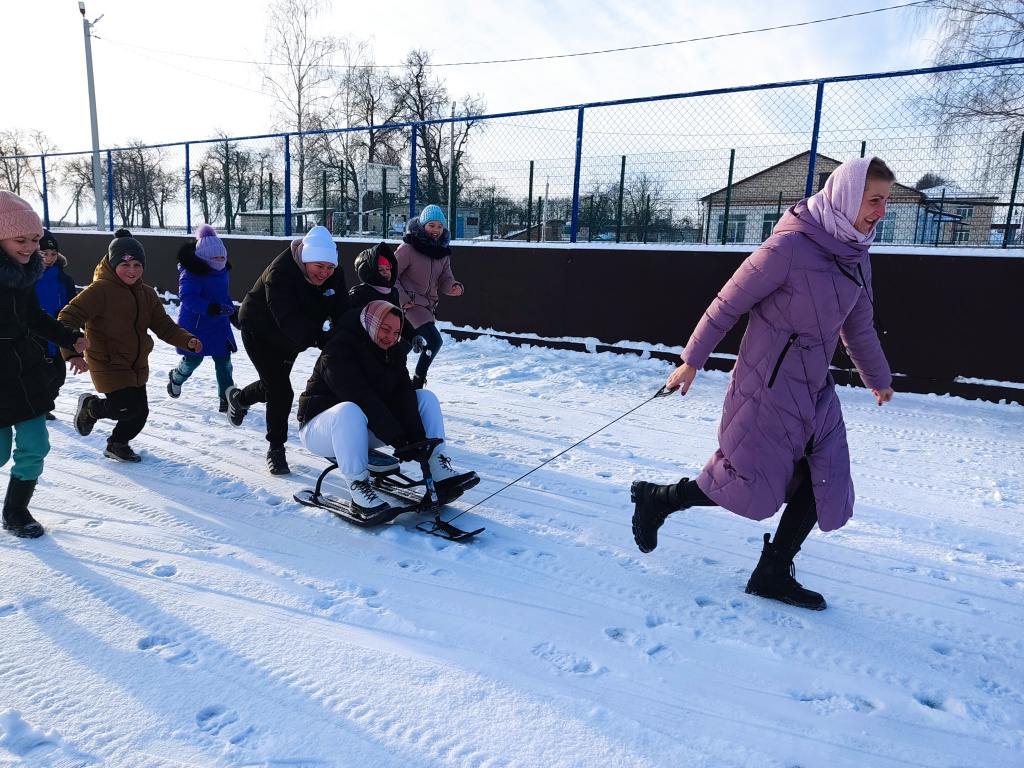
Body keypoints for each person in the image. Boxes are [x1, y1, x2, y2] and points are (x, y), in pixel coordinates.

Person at [630, 156, 896, 611]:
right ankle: (658, 499)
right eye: (874, 200)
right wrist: (692, 360)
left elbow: (860, 325)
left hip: (815, 387)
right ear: (847, 196)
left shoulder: (856, 253)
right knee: (752, 482)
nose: (881, 211)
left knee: (826, 477)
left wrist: (878, 377)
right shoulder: (789, 248)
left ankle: (772, 571)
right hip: (768, 385)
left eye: (885, 201)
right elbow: (727, 303)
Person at [297, 300, 476, 515]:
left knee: (424, 397)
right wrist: (397, 439)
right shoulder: (338, 347)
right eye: (385, 329)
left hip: (365, 427)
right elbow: (359, 396)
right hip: (321, 430)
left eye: (397, 332)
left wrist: (416, 438)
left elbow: (403, 395)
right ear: (371, 323)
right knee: (349, 410)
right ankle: (359, 486)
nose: (391, 338)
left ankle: (438, 470)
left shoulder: (394, 350)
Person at [60, 229, 201, 463]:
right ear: (113, 264)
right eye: (125, 265)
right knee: (125, 408)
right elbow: (67, 318)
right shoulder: (100, 291)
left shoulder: (146, 294)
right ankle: (91, 407)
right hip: (107, 360)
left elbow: (164, 325)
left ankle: (117, 444)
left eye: (137, 264)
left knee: (139, 414)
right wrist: (73, 352)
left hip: (136, 362)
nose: (132, 271)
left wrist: (187, 340)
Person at [225, 225, 349, 475]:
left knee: (273, 385)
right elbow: (286, 316)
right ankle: (276, 449)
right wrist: (319, 338)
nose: (325, 273)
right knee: (281, 390)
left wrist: (348, 334)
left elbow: (343, 310)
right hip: (260, 332)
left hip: (293, 337)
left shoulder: (334, 274)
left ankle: (239, 399)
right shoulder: (280, 271)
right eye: (319, 266)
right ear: (305, 258)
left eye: (330, 267)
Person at [0, 192, 89, 537]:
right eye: (20, 240)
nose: (29, 247)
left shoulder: (23, 275)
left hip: (24, 372)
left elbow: (34, 316)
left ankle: (16, 510)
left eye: (35, 240)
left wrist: (70, 337)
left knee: (36, 445)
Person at [167, 224, 236, 413]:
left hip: (219, 324)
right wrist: (212, 308)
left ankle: (226, 399)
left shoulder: (222, 272)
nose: (220, 260)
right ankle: (176, 377)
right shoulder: (191, 274)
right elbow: (188, 299)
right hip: (196, 326)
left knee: (224, 363)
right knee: (192, 362)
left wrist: (234, 314)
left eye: (223, 257)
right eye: (216, 257)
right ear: (204, 257)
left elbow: (224, 296)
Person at [395, 205, 464, 389]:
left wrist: (454, 287)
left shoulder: (442, 253)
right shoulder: (408, 248)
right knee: (433, 341)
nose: (435, 230)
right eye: (431, 225)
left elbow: (445, 278)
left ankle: (385, 374)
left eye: (439, 226)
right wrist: (401, 298)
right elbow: (390, 275)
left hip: (427, 306)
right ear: (423, 225)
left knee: (404, 346)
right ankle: (417, 383)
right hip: (410, 304)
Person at [33, 229, 79, 418]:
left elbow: (74, 307)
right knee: (35, 375)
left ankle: (44, 405)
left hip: (57, 334)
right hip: (33, 335)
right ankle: (36, 409)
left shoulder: (63, 278)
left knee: (57, 376)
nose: (49, 258)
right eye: (44, 254)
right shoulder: (25, 276)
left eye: (53, 254)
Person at [348, 242, 399, 311]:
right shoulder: (360, 293)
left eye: (388, 269)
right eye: (380, 270)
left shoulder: (393, 292)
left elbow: (398, 315)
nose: (385, 272)